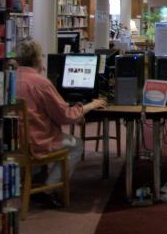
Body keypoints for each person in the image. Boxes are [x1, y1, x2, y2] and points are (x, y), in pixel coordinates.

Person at [15, 39, 106, 203]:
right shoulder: (40, 83)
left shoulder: (9, 79)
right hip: (38, 142)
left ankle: (35, 180)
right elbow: (65, 115)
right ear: (37, 59)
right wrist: (89, 106)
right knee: (76, 145)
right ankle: (50, 188)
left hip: (15, 143)